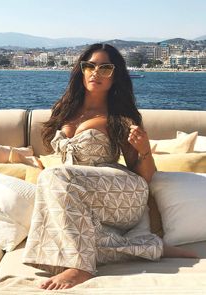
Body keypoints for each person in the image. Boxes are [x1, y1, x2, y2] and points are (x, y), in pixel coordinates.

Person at [22, 43, 197, 290]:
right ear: (80, 71)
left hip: (122, 193)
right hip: (78, 192)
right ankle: (149, 247)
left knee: (52, 177)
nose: (96, 72)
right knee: (53, 204)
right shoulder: (64, 110)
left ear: (115, 76)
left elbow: (144, 175)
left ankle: (81, 267)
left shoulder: (121, 115)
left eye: (105, 68)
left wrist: (144, 148)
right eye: (90, 66)